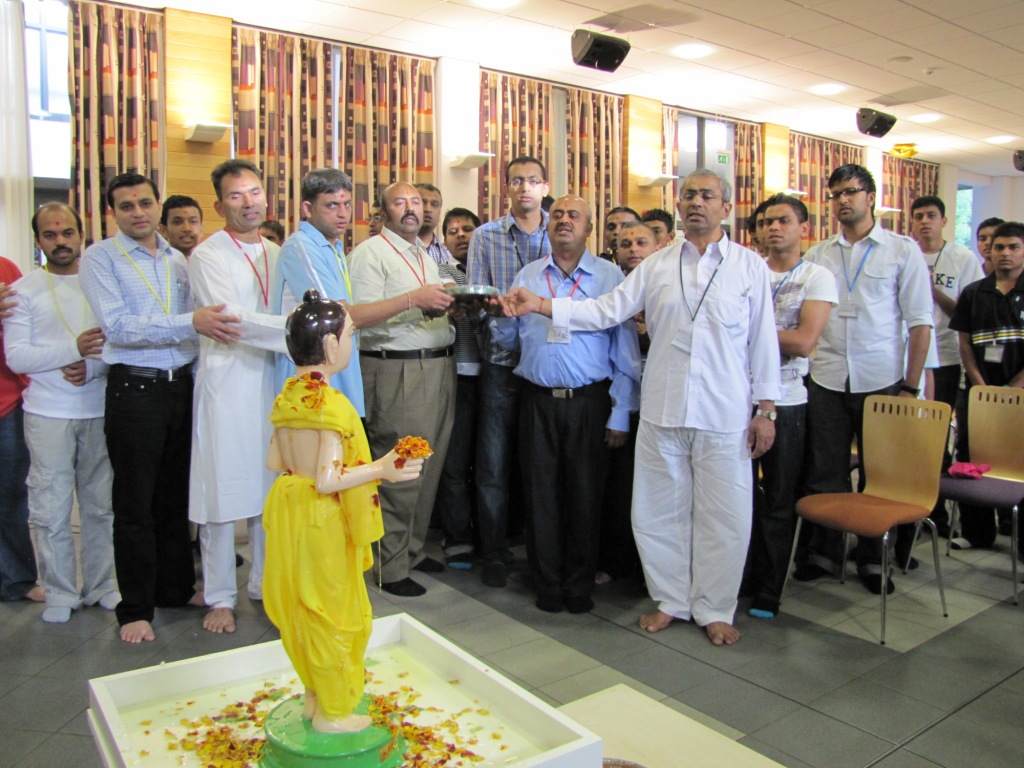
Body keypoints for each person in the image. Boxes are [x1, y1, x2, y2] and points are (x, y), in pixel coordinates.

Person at [506, 169, 780, 645]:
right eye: (688, 194)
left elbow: (764, 343)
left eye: (707, 195)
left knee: (725, 515)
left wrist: (766, 409)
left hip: (725, 411)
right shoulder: (657, 264)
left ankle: (715, 607)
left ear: (726, 207)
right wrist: (543, 305)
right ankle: (671, 599)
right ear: (679, 204)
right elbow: (604, 310)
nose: (696, 202)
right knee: (658, 512)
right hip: (663, 407)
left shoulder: (749, 266)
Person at [79, 172, 241, 643]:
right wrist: (191, 322)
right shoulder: (101, 258)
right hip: (136, 390)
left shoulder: (177, 259)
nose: (138, 213)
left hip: (182, 386)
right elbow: (119, 327)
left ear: (157, 206)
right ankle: (135, 608)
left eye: (145, 203)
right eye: (126, 206)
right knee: (135, 503)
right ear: (113, 212)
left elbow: (203, 325)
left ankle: (175, 589)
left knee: (176, 498)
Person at [263, 289, 423, 733]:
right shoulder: (330, 406)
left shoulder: (286, 398)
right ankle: (333, 713)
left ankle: (315, 696)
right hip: (322, 518)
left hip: (290, 511)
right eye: (351, 334)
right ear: (332, 346)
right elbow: (329, 478)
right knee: (334, 612)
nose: (352, 343)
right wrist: (382, 469)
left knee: (303, 606)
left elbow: (275, 462)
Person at [493, 196, 640, 612]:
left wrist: (620, 413)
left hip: (589, 404)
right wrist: (500, 316)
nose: (564, 221)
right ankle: (547, 584)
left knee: (586, 497)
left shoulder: (610, 276)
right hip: (537, 402)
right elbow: (510, 341)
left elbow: (625, 352)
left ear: (589, 228)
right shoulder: (529, 275)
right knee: (539, 496)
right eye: (557, 214)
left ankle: (578, 585)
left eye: (574, 215)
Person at [796, 164, 933, 595]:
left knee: (880, 476)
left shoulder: (901, 250)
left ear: (870, 197)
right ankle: (824, 553)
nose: (842, 200)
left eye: (850, 192)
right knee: (825, 470)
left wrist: (910, 387)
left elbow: (920, 324)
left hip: (883, 380)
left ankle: (874, 560)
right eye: (835, 193)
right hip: (827, 377)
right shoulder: (818, 255)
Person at [188, 159, 291, 635]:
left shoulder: (277, 251)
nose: (248, 203)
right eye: (236, 195)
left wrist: (293, 327)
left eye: (254, 192)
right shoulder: (208, 255)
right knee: (222, 490)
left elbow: (291, 304)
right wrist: (295, 331)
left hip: (274, 381)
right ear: (219, 206)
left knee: (272, 489)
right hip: (228, 384)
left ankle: (264, 583)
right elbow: (231, 321)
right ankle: (220, 596)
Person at [3, 203, 119, 623]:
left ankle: (102, 584)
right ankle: (60, 591)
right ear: (38, 241)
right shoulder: (23, 290)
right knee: (50, 508)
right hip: (46, 413)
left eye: (67, 233)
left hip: (98, 407)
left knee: (100, 505)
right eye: (50, 235)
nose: (60, 241)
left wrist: (93, 367)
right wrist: (73, 350)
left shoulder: (102, 282)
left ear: (80, 234)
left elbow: (119, 342)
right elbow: (17, 357)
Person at [349, 181, 456, 597]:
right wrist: (414, 299)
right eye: (400, 202)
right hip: (398, 369)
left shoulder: (425, 254)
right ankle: (388, 567)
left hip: (437, 366)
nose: (412, 209)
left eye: (417, 202)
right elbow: (358, 317)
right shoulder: (370, 253)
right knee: (401, 468)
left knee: (428, 467)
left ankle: (411, 550)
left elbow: (431, 302)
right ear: (383, 211)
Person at [271, 169, 451, 417]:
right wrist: (414, 299)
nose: (342, 213)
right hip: (311, 379)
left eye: (347, 204)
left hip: (340, 369)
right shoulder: (302, 247)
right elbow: (340, 316)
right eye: (331, 205)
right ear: (307, 208)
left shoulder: (332, 246)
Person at [741, 195, 836, 619]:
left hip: (788, 400)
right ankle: (741, 577)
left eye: (783, 220)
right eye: (765, 222)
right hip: (739, 397)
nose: (773, 228)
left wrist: (748, 329)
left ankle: (769, 589)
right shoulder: (749, 271)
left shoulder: (817, 276)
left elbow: (803, 341)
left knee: (779, 499)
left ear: (803, 229)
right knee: (739, 497)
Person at [467, 156, 551, 588]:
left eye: (533, 181)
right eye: (516, 181)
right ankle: (494, 553)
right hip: (500, 362)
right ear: (506, 189)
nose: (525, 188)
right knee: (493, 464)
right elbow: (474, 300)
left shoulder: (560, 230)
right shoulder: (486, 236)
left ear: (545, 187)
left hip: (545, 366)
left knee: (541, 465)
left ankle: (543, 553)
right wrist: (495, 314)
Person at [909, 195, 984, 535]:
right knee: (911, 437)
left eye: (930, 215)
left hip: (946, 357)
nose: (924, 221)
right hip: (910, 358)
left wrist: (932, 291)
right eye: (918, 216)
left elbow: (966, 314)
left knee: (937, 437)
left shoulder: (962, 258)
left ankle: (936, 512)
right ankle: (912, 504)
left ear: (944, 221)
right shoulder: (906, 253)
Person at [949, 221, 1024, 555]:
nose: (1005, 253)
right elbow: (964, 342)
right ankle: (977, 532)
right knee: (970, 454)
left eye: (1013, 247)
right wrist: (979, 384)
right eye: (999, 247)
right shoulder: (973, 292)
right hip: (978, 392)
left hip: (1020, 392)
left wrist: (1014, 388)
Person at [434, 207, 483, 568]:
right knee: (455, 460)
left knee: (490, 463)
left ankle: (492, 533)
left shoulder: (490, 269)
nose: (461, 235)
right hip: (457, 374)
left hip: (496, 373)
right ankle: (458, 536)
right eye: (453, 231)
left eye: (468, 229)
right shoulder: (442, 271)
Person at [0, 259, 44, 604]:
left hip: (7, 402)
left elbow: (28, 332)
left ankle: (16, 579)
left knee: (12, 496)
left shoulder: (5, 270)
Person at [415, 183, 452, 266]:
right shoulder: (394, 249)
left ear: (439, 212)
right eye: (422, 203)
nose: (428, 209)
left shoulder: (449, 255)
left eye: (434, 204)